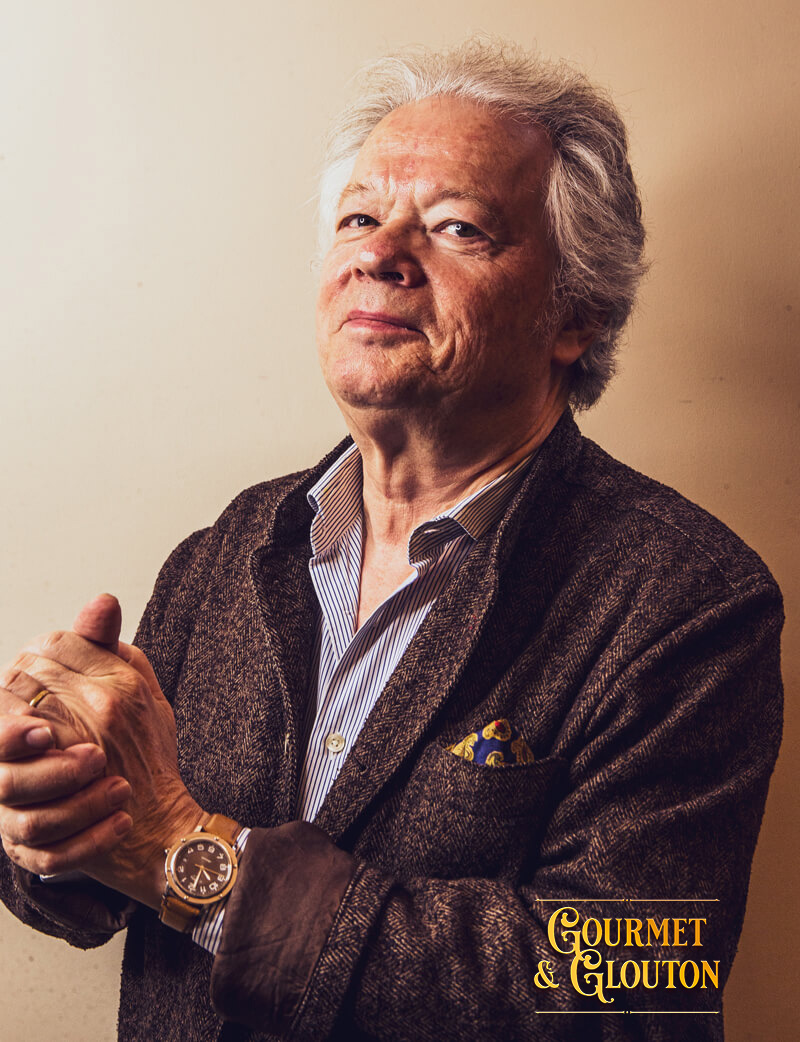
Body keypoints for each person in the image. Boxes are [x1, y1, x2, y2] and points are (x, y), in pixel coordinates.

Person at [0, 39, 783, 1042]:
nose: (378, 251)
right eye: (359, 217)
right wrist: (52, 818)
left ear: (574, 315)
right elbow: (105, 881)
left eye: (456, 226)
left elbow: (633, 984)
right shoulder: (228, 547)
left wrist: (194, 861)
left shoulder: (688, 596)